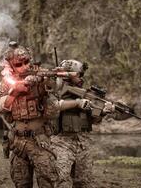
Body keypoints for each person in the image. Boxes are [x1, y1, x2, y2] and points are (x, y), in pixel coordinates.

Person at [0, 42, 59, 188]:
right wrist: (15, 91)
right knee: (21, 183)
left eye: (27, 62)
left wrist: (45, 81)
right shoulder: (6, 84)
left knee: (48, 183)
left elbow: (55, 89)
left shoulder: (39, 76)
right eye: (19, 64)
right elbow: (1, 107)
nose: (24, 66)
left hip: (40, 141)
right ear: (11, 66)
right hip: (18, 142)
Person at [50, 59, 115, 188]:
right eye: (78, 74)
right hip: (61, 141)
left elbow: (94, 120)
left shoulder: (86, 94)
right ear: (68, 75)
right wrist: (77, 103)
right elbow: (53, 107)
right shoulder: (54, 92)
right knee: (61, 181)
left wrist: (103, 112)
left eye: (81, 74)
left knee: (84, 181)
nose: (81, 78)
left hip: (83, 142)